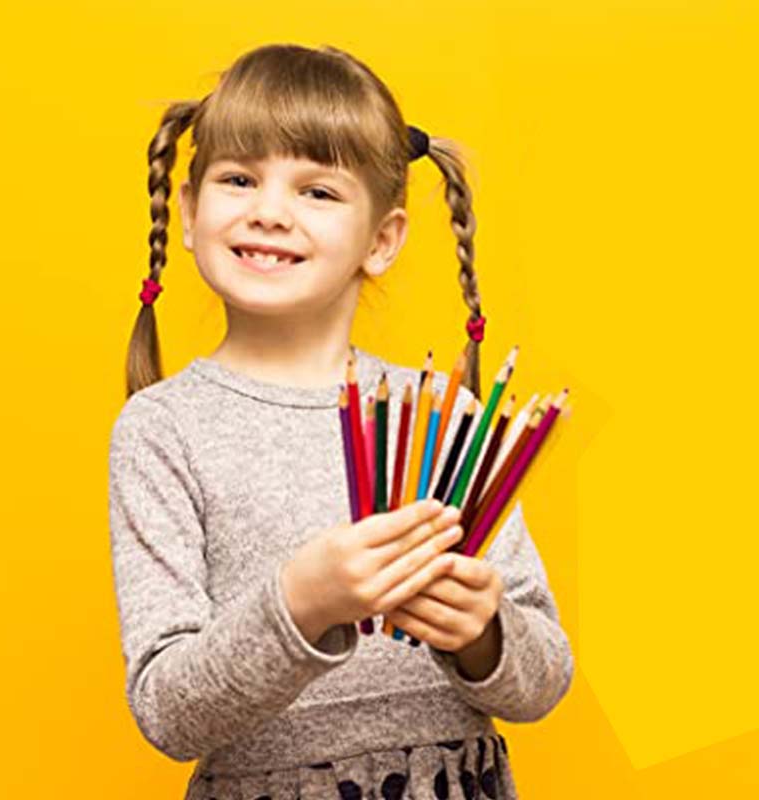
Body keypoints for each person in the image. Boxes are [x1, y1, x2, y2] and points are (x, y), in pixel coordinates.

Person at [108, 43, 573, 800]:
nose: (269, 211)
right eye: (238, 179)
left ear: (383, 240)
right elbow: (167, 712)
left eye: (317, 192)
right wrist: (300, 603)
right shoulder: (162, 429)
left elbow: (543, 682)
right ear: (188, 214)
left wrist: (485, 633)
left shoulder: (443, 416)